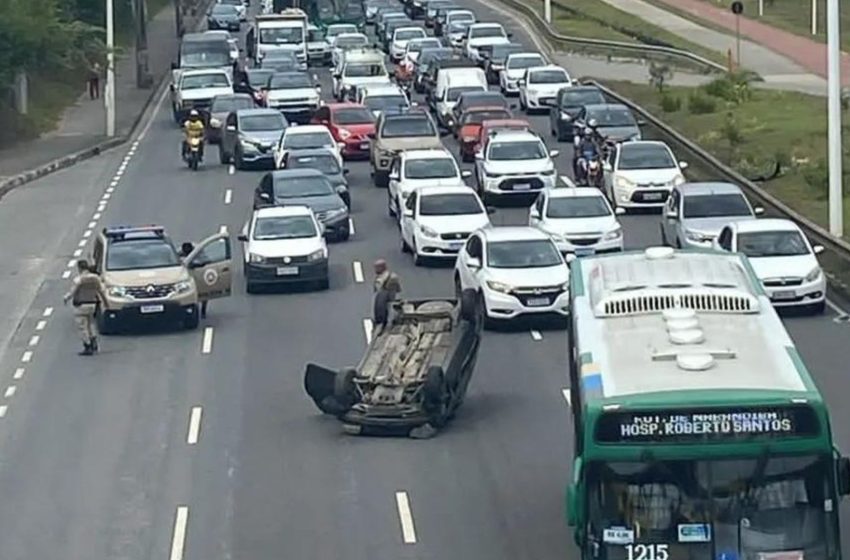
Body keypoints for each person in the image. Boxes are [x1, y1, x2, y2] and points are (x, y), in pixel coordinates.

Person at [63, 259, 105, 355]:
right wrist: (105, 303)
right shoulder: (96, 278)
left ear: (79, 268)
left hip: (81, 305)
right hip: (92, 304)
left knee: (82, 326)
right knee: (91, 324)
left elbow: (72, 292)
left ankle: (87, 345)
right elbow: (101, 290)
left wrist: (66, 298)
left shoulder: (79, 280)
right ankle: (94, 341)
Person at [178, 242, 208, 318]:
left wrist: (195, 263)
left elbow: (205, 261)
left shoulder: (199, 250)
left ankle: (203, 310)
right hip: (187, 274)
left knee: (203, 291)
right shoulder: (179, 251)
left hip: (199, 272)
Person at [372, 259, 402, 335]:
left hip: (388, 303)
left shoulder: (391, 278)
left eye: (377, 267)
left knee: (388, 317)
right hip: (380, 305)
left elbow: (395, 292)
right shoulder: (379, 278)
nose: (375, 270)